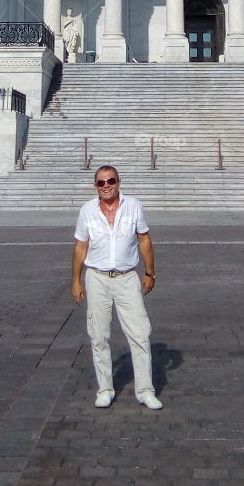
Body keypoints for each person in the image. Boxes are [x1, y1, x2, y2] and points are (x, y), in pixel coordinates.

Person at [71, 165, 162, 409]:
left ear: (119, 182)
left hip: (127, 278)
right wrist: (76, 280)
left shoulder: (133, 206)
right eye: (101, 182)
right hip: (97, 277)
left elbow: (144, 239)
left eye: (110, 180)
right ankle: (105, 389)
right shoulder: (87, 211)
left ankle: (145, 390)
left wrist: (150, 273)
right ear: (95, 187)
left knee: (140, 334)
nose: (106, 186)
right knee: (99, 335)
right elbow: (81, 246)